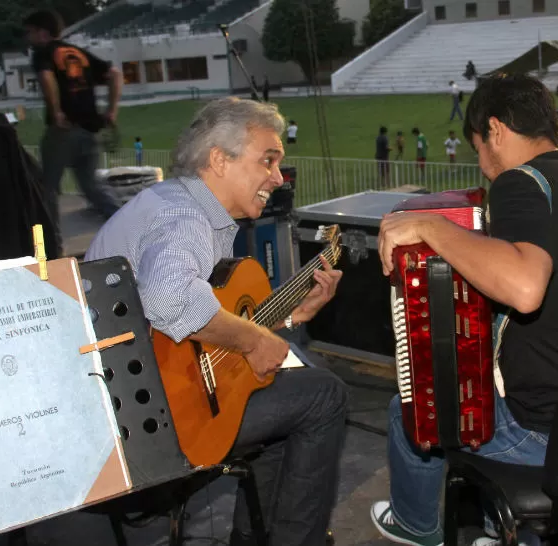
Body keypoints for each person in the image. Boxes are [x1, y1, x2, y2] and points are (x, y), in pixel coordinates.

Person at [370, 73, 558, 546]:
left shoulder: (521, 180)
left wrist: (432, 229)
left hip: (548, 436)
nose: (482, 164)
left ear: (495, 131)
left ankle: (416, 525)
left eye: (478, 146)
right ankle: (503, 530)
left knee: (410, 406)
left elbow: (524, 288)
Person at [85, 97, 349, 546]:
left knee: (282, 397)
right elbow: (170, 299)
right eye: (268, 160)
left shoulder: (176, 204)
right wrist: (253, 341)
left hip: (140, 402)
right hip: (145, 425)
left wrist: (283, 318)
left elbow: (199, 328)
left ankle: (255, 536)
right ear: (218, 160)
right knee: (325, 395)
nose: (278, 178)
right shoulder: (184, 217)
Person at [24, 9, 123, 219]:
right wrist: (112, 110)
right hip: (90, 129)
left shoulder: (43, 53)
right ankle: (126, 225)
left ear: (43, 33)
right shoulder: (78, 53)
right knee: (91, 186)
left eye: (31, 32)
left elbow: (46, 77)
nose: (29, 38)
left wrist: (56, 110)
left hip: (64, 130)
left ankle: (51, 243)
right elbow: (114, 74)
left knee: (47, 187)